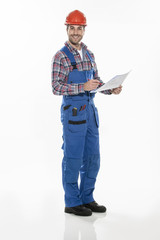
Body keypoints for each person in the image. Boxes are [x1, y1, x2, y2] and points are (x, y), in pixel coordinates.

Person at [51, 10, 122, 216]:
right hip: (73, 113)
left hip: (90, 112)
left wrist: (110, 88)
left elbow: (96, 83)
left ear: (84, 30)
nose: (75, 32)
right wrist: (82, 86)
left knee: (93, 157)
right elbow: (56, 87)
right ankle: (72, 202)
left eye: (79, 28)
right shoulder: (60, 57)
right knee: (73, 158)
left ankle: (87, 198)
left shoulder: (90, 54)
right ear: (67, 29)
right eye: (72, 28)